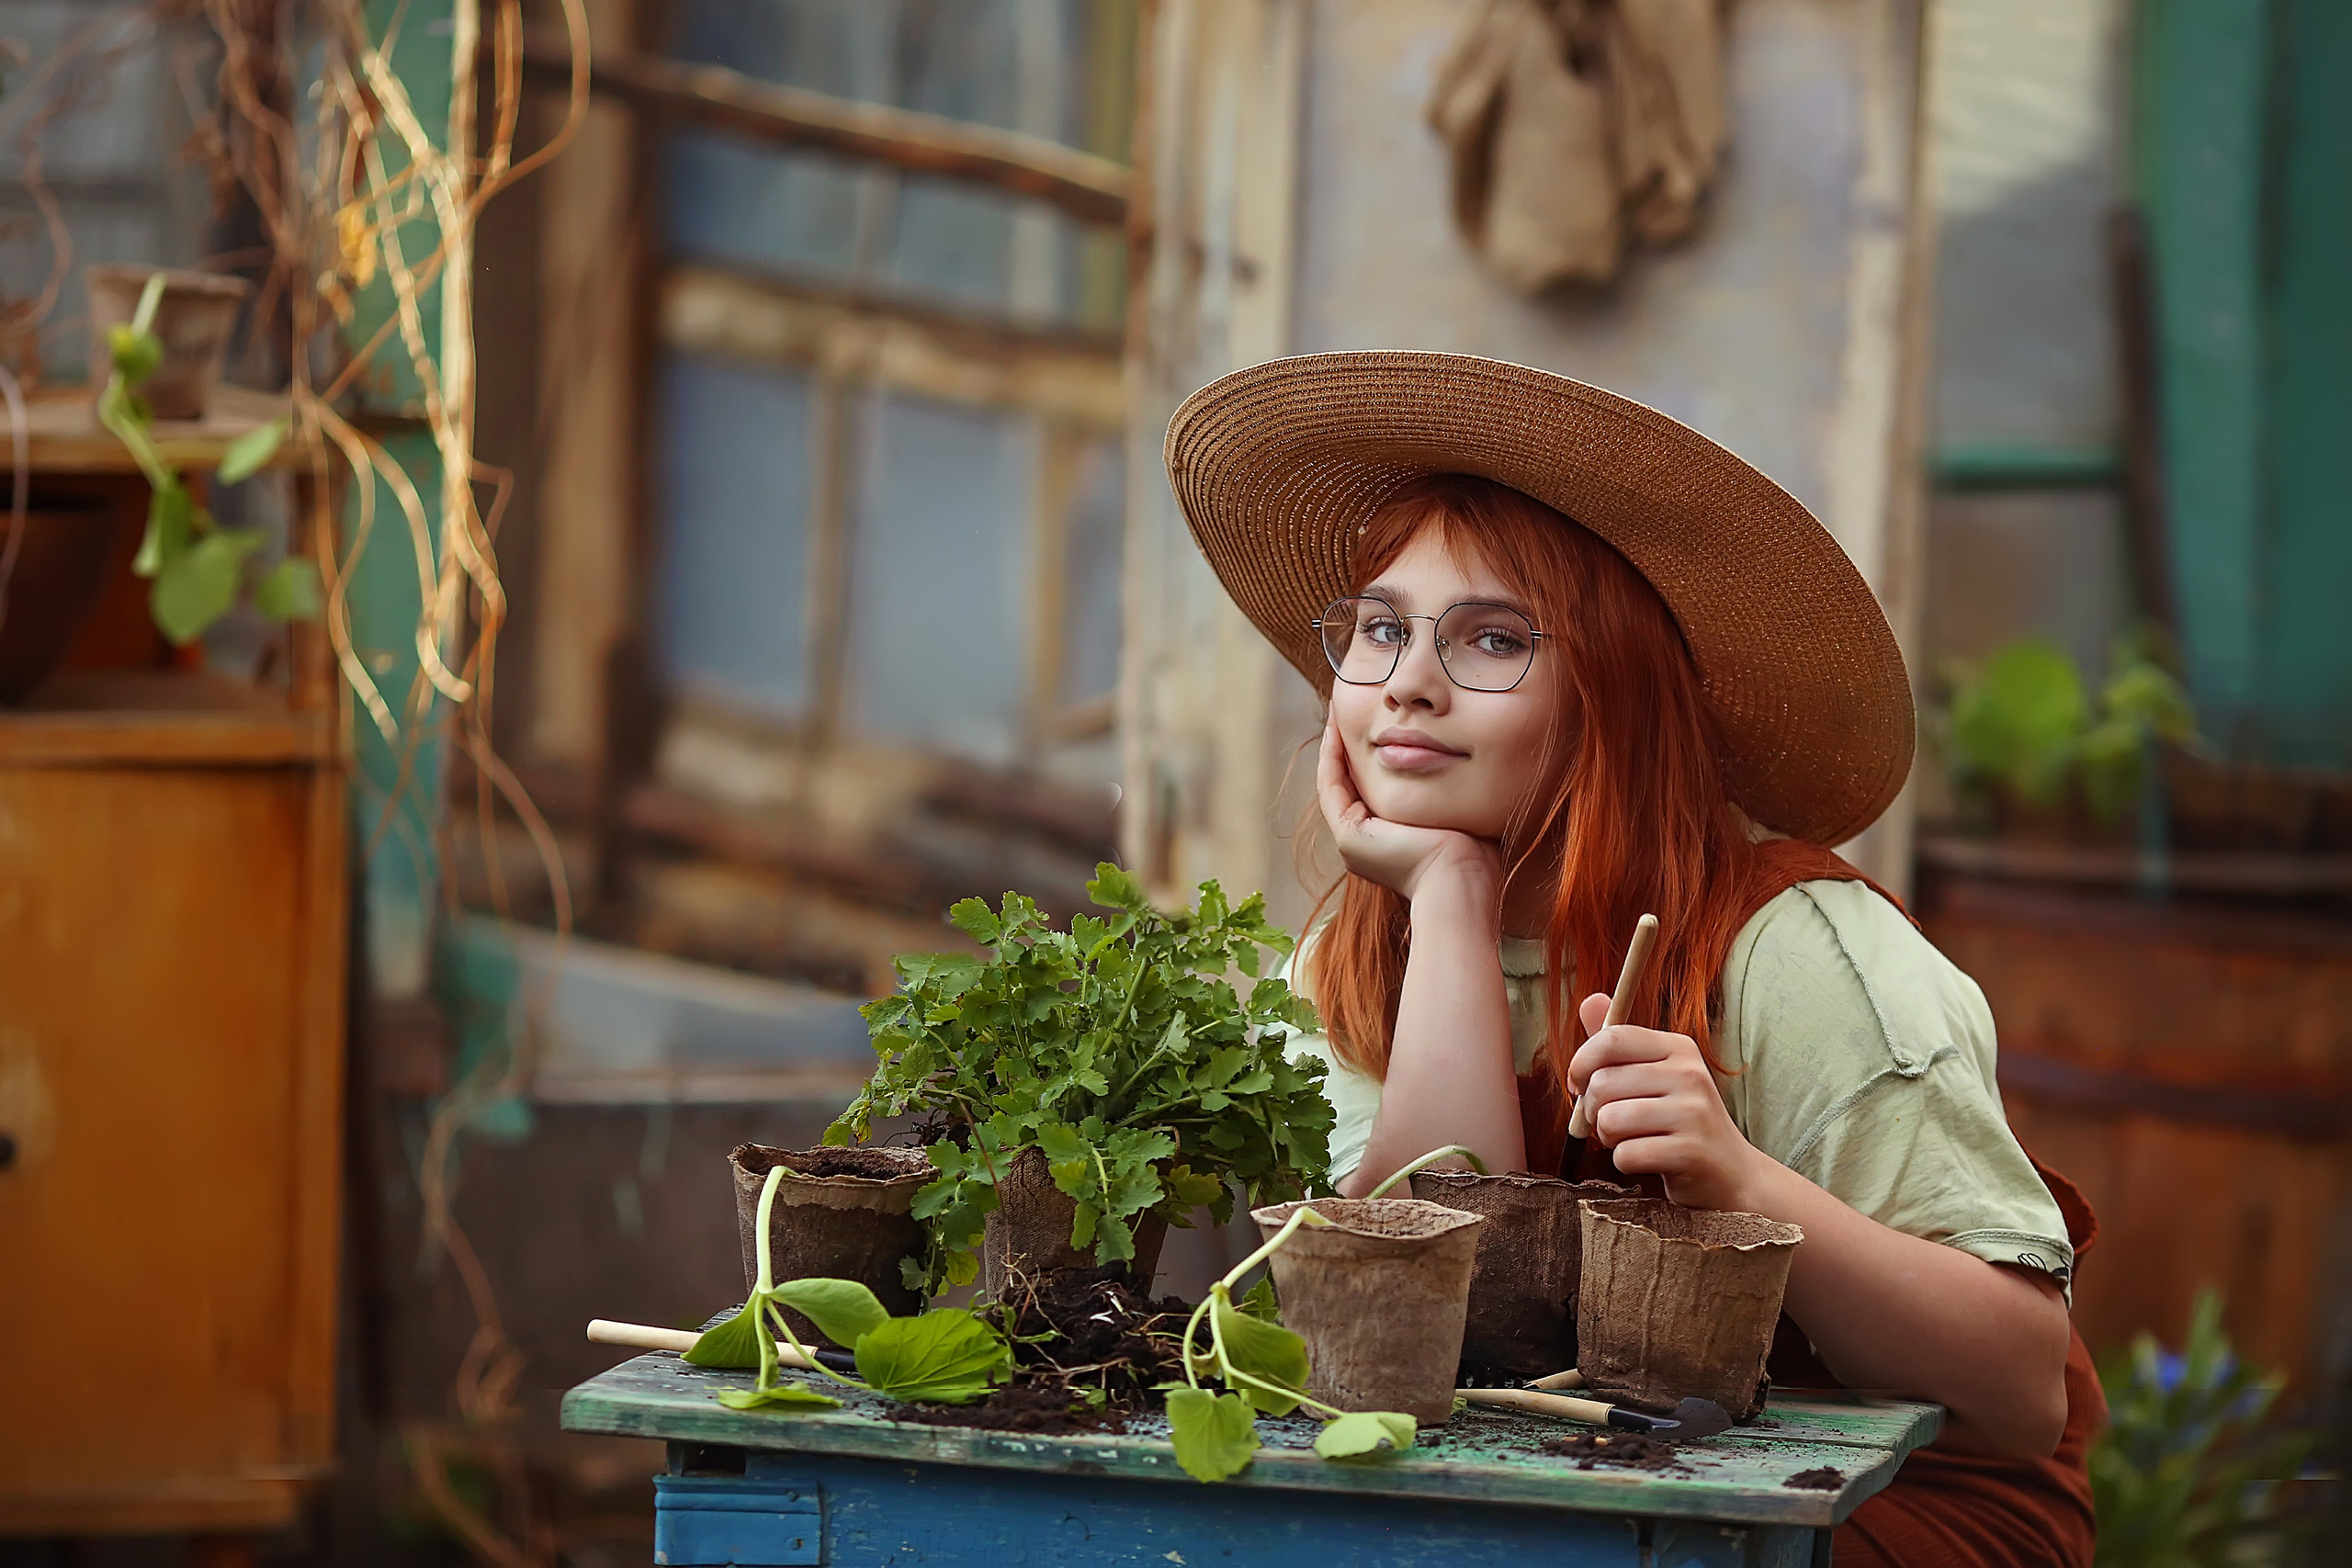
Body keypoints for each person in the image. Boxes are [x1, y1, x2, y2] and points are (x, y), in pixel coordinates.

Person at [1164, 352, 2102, 1568]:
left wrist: (1742, 1185)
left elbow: (2022, 1392)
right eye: (1382, 630)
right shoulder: (1352, 964)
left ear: (1615, 694)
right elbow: (1440, 1331)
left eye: (1491, 640)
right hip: (1564, 1506)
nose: (1407, 686)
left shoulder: (1795, 951)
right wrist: (1450, 901)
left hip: (1874, 1519)